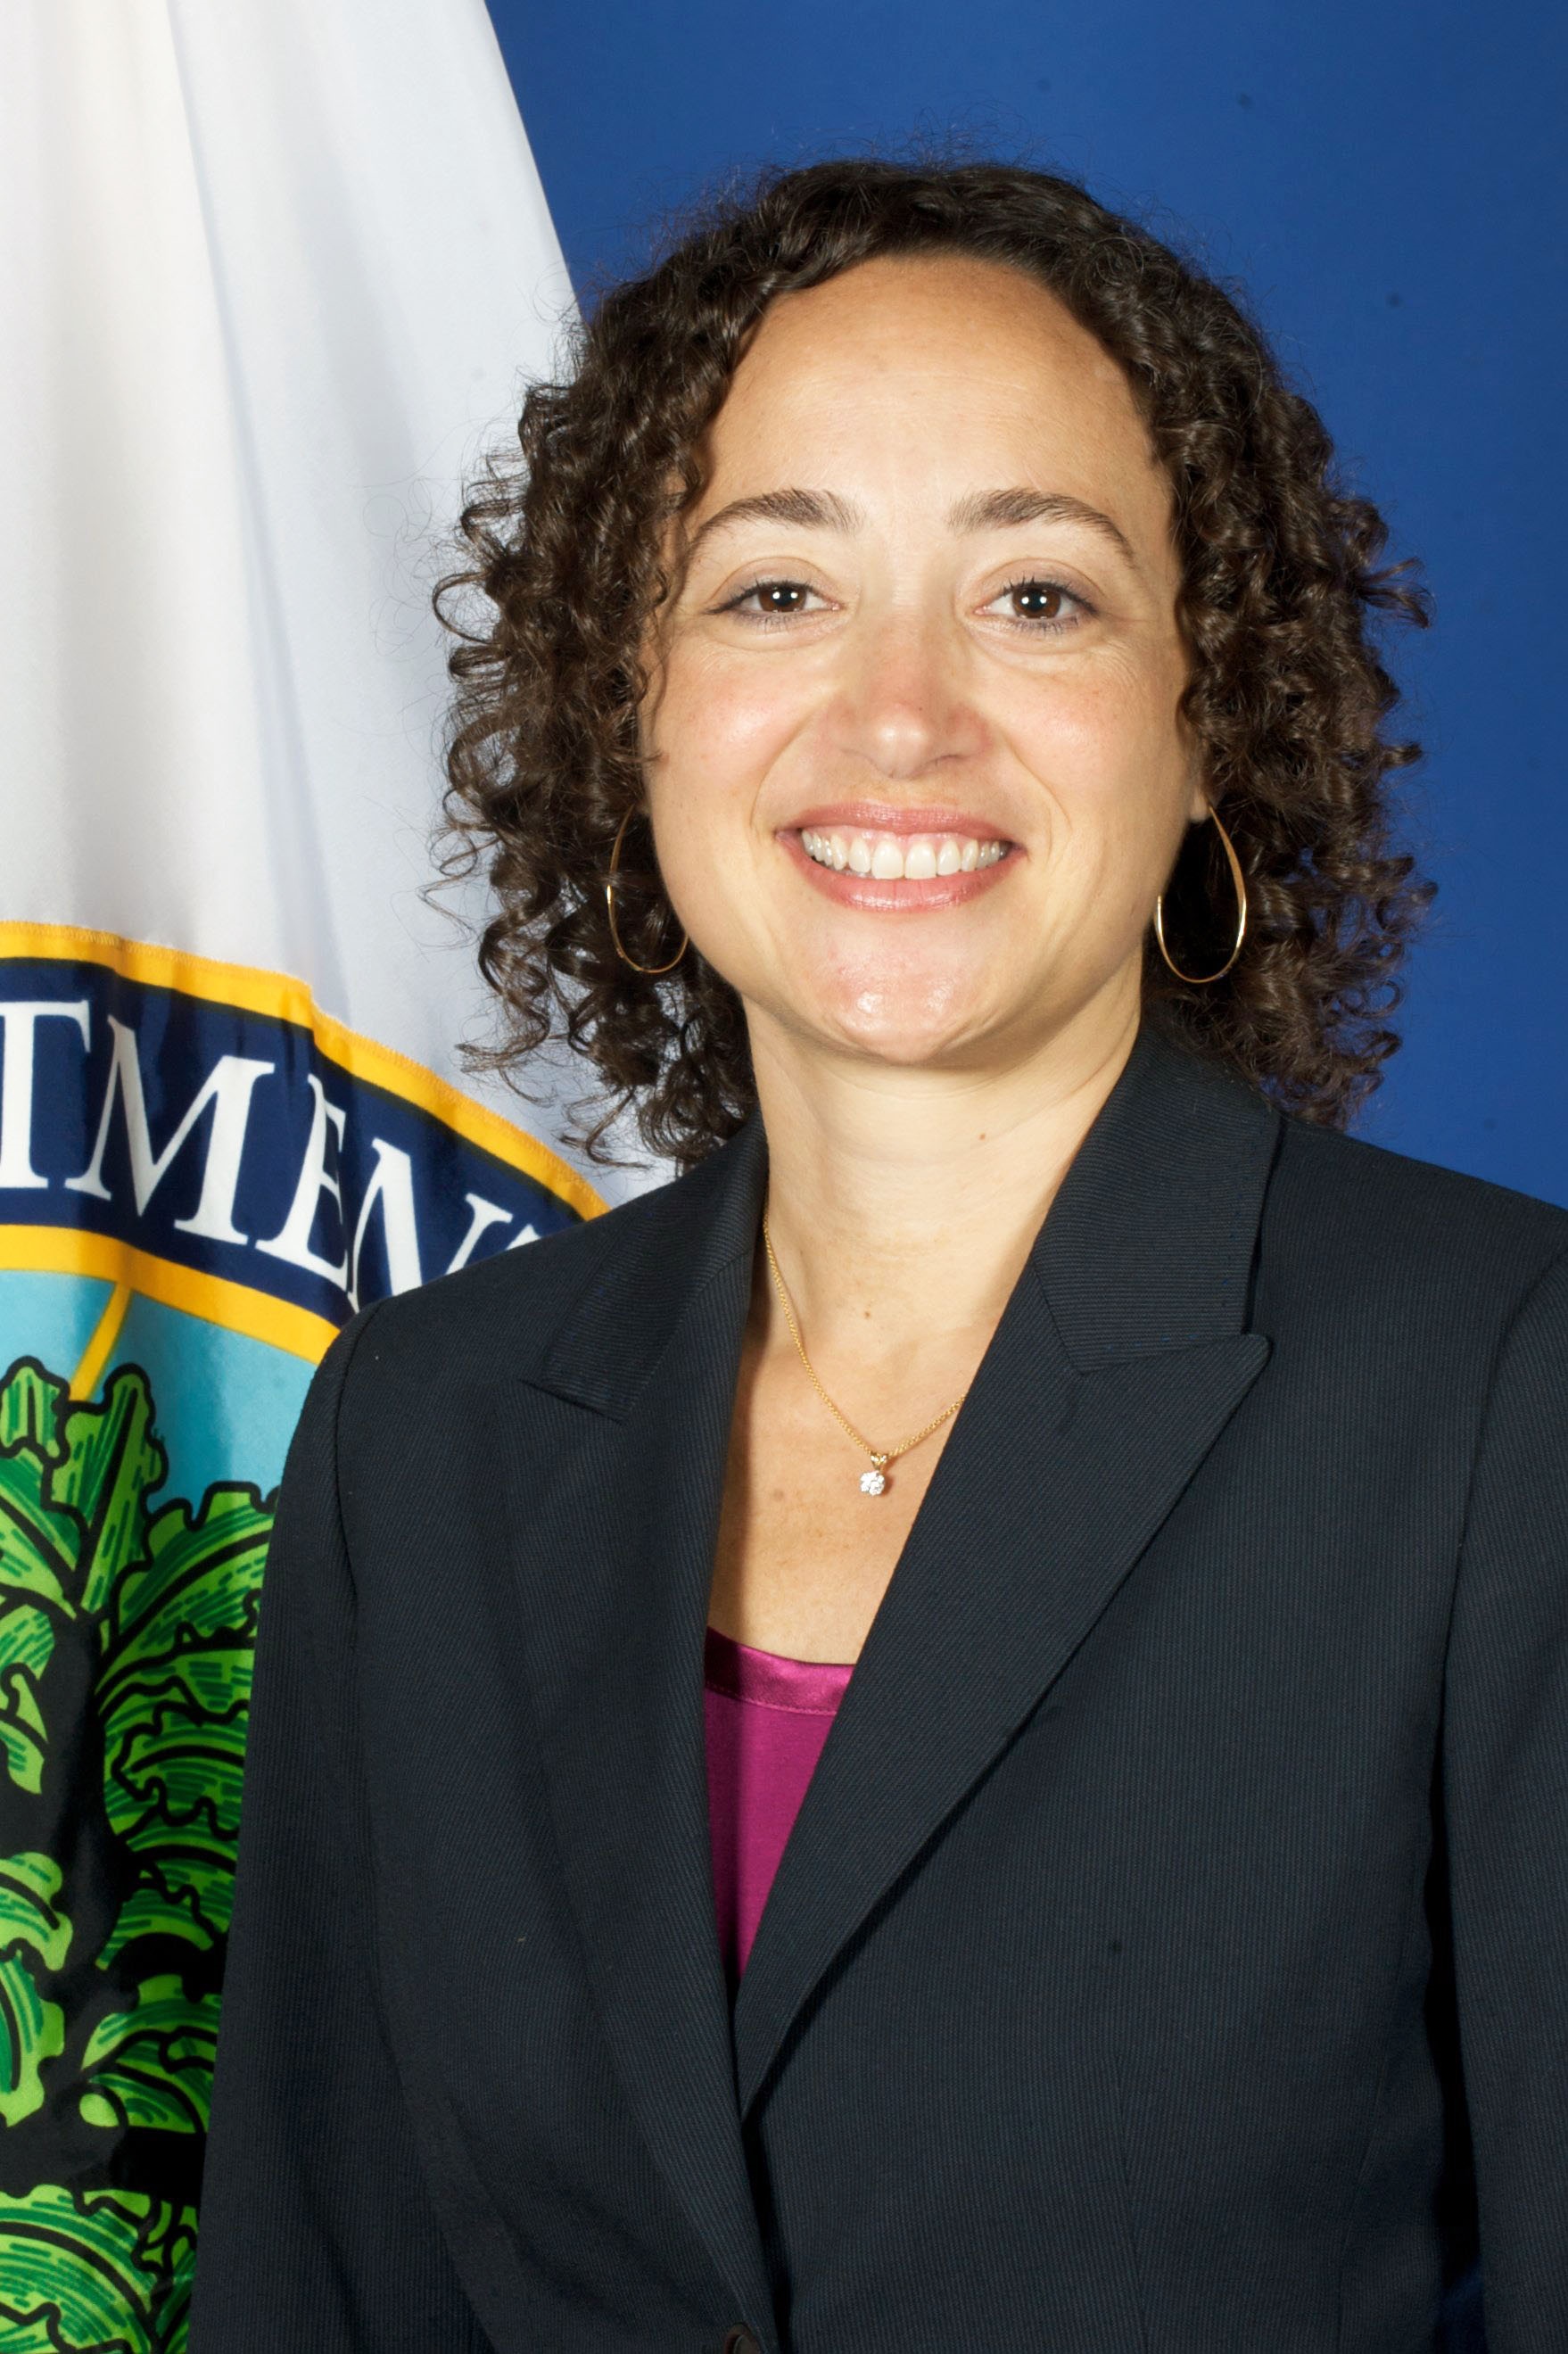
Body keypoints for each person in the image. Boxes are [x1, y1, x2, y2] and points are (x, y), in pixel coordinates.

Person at [187, 158, 1564, 2353]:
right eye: (772, 593)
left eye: (1038, 595)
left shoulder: (1507, 1390)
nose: (900, 715)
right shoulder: (423, 1434)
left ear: (1213, 722)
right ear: (622, 706)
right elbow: (317, 2295)